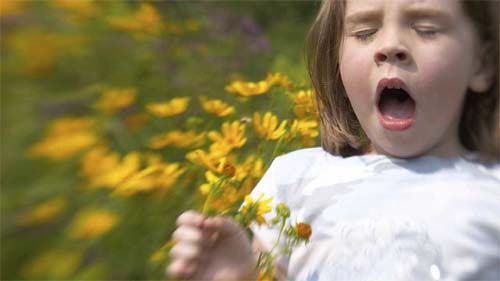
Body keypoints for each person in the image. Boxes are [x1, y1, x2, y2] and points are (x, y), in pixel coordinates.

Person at [167, 0, 500, 279]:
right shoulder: (298, 179)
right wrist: (240, 273)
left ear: (481, 63)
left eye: (426, 29)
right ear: (336, 58)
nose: (389, 47)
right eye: (365, 32)